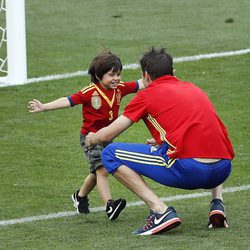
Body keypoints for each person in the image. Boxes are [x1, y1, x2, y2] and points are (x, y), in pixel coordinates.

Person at [85, 47, 235, 235]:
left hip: (191, 170)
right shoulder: (193, 88)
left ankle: (160, 211)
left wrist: (92, 139)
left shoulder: (146, 95)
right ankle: (217, 203)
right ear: (173, 72)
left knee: (110, 153)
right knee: (210, 139)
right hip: (223, 169)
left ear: (146, 76)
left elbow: (107, 135)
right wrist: (165, 142)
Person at [28, 50, 144, 221]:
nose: (117, 78)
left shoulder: (120, 89)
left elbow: (142, 83)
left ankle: (80, 197)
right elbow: (68, 100)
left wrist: (163, 76)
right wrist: (44, 106)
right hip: (89, 138)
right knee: (103, 168)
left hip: (107, 137)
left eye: (118, 74)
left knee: (96, 171)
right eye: (112, 74)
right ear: (98, 75)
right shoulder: (89, 92)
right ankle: (109, 206)